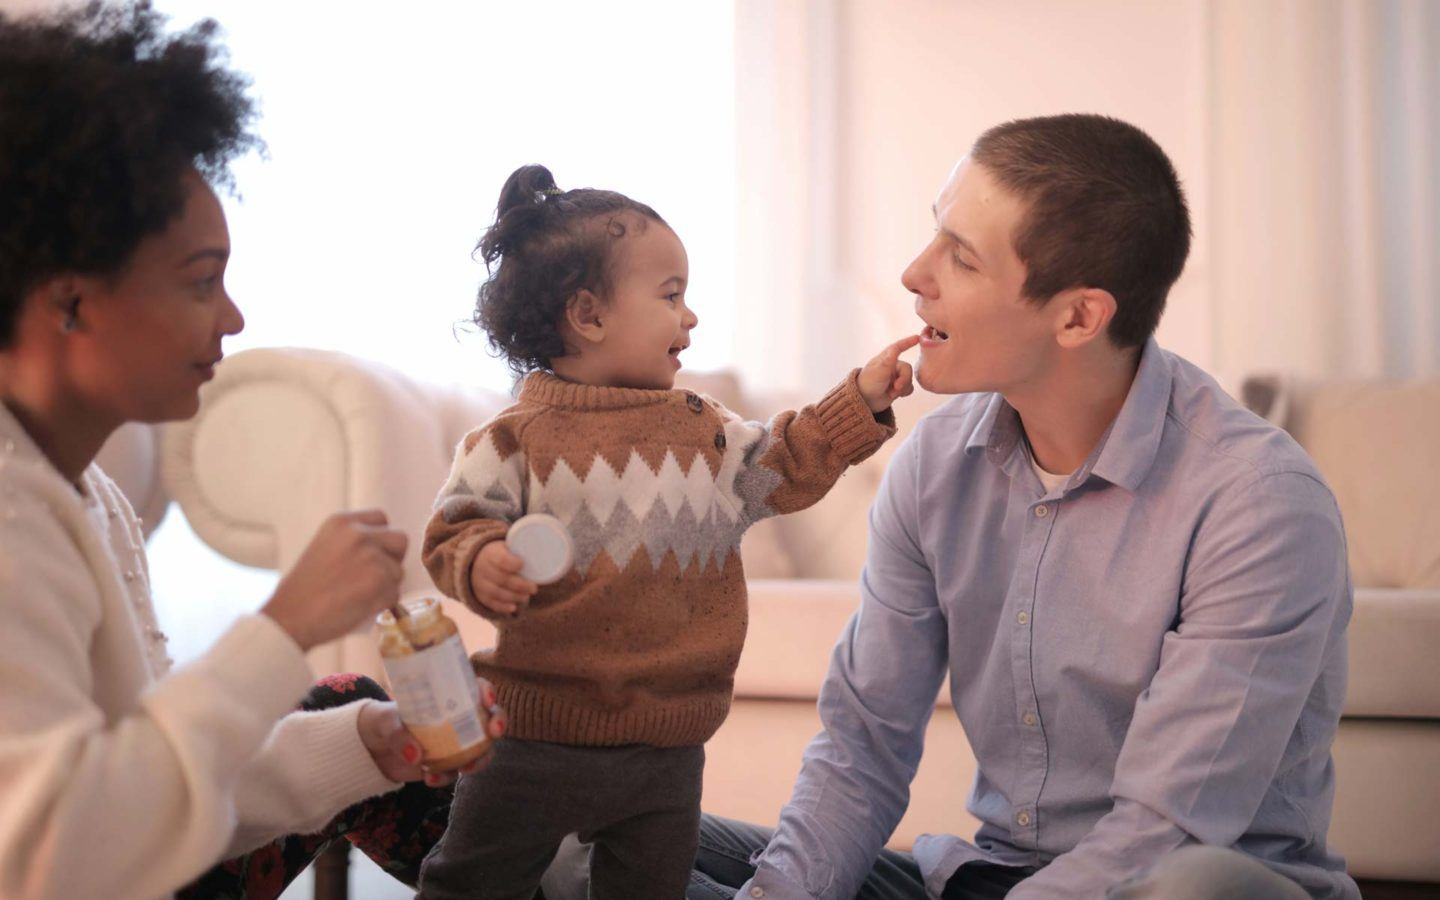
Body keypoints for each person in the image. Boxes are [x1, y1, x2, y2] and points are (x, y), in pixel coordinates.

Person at [549, 114, 1359, 899]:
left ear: (1079, 316)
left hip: (1174, 879)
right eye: (936, 232)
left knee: (1189, 889)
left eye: (961, 259)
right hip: (987, 879)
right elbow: (864, 746)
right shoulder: (935, 466)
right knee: (578, 852)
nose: (914, 274)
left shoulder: (1259, 505)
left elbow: (1163, 831)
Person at [0, 4, 504, 898]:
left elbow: (154, 777)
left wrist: (365, 747)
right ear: (71, 301)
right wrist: (282, 629)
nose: (232, 318)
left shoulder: (83, 496)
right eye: (202, 282)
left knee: (353, 708)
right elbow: (57, 858)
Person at [414, 164, 917, 900]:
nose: (691, 317)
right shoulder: (513, 440)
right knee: (470, 883)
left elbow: (788, 461)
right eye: (672, 296)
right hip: (534, 738)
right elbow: (455, 527)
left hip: (668, 747)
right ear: (588, 315)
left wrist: (859, 399)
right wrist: (481, 559)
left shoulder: (702, 431)